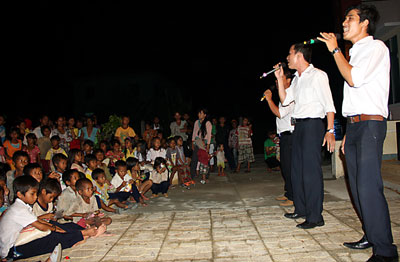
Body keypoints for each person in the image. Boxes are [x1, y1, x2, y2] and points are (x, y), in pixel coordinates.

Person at [319, 4, 398, 261]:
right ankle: (371, 234)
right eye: (344, 18)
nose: (344, 22)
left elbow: (355, 79)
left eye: (349, 18)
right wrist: (348, 134)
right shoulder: (354, 52)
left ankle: (386, 251)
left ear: (364, 23)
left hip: (370, 125)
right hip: (355, 126)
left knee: (368, 187)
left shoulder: (376, 48)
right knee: (356, 186)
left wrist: (334, 51)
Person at [276, 42, 336, 229]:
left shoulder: (318, 75)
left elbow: (329, 105)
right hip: (298, 127)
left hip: (312, 126)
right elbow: (285, 100)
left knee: (310, 173)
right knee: (297, 171)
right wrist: (279, 79)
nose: (287, 57)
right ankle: (301, 209)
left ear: (299, 56)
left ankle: (315, 216)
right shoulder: (296, 79)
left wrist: (330, 130)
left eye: (290, 53)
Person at [0, 175, 92, 261]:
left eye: (36, 193)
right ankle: (81, 234)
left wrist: (55, 226)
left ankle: (80, 232)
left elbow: (38, 220)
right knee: (51, 238)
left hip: (19, 239)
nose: (35, 197)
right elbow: (41, 226)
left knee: (55, 225)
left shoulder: (23, 206)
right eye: (32, 194)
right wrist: (56, 229)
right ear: (20, 194)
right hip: (12, 250)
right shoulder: (18, 209)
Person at [264, 65, 294, 207]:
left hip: (290, 135)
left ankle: (293, 196)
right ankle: (288, 193)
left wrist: (269, 100)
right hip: (283, 135)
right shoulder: (284, 95)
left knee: (289, 168)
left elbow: (280, 113)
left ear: (288, 80)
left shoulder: (290, 95)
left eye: (280, 79)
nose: (277, 82)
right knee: (285, 167)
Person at [191, 108, 212, 179]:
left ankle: (206, 175)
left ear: (205, 115)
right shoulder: (196, 122)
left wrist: (208, 146)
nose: (199, 114)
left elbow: (209, 135)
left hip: (204, 143)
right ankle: (193, 175)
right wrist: (192, 142)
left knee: (205, 159)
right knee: (194, 158)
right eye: (199, 113)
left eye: (201, 113)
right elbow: (194, 132)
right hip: (197, 142)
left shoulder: (208, 123)